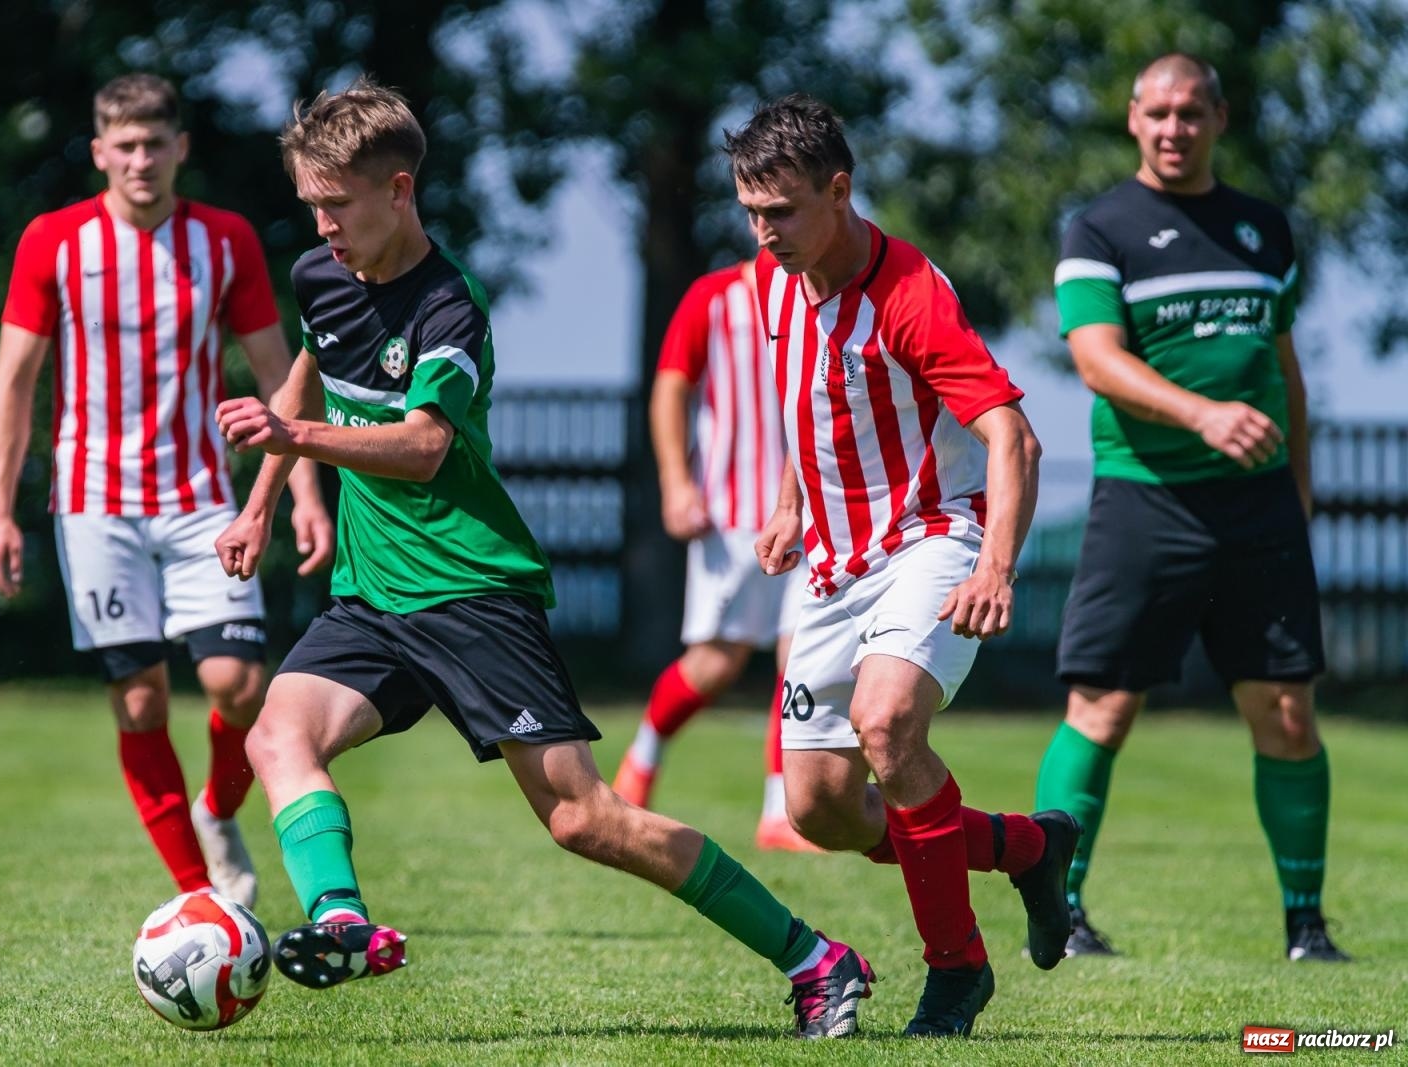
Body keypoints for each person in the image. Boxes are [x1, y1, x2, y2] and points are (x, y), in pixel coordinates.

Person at [211, 77, 878, 1039]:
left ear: (399, 191)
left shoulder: (451, 307)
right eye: (311, 203)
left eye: (338, 204)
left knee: (584, 820)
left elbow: (423, 444)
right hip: (370, 597)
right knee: (278, 734)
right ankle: (341, 919)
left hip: (473, 593)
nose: (322, 226)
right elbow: (311, 367)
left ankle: (816, 956)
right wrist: (263, 498)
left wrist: (289, 439)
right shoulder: (324, 275)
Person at [723, 94, 1080, 1038]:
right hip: (837, 566)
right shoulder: (774, 281)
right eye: (751, 213)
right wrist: (795, 500)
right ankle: (1031, 848)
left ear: (839, 191)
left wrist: (996, 566)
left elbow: (1016, 438)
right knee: (822, 812)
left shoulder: (911, 296)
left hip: (936, 535)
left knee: (887, 724)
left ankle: (956, 973)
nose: (765, 234)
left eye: (783, 211)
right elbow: (807, 392)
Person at [0, 73, 333, 910]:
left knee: (239, 685)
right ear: (100, 153)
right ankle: (199, 897)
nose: (141, 160)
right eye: (124, 146)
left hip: (203, 496)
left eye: (155, 143)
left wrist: (305, 492)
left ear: (181, 148)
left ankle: (217, 808)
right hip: (95, 504)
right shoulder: (53, 242)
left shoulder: (225, 240)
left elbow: (280, 374)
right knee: (139, 698)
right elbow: (13, 383)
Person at [1036, 53, 1346, 963]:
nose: (1174, 129)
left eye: (1191, 113)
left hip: (1258, 512)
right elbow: (1096, 359)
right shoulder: (1099, 228)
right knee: (1102, 707)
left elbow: (1282, 368)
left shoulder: (1265, 229)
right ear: (1133, 119)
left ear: (1219, 117)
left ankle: (1307, 923)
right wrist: (1202, 415)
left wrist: (1297, 495)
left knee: (1287, 710)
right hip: (1146, 499)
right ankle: (1062, 907)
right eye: (1158, 113)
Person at [610, 257, 817, 852]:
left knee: (800, 657)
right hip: (731, 517)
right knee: (715, 663)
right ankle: (642, 757)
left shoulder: (826, 291)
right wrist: (677, 483)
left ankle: (780, 813)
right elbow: (671, 387)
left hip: (813, 514)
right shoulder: (713, 297)